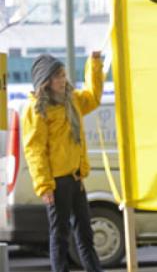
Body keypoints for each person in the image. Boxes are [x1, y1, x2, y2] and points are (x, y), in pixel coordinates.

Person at [23, 52, 105, 272]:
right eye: (58, 76)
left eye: (63, 75)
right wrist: (44, 186)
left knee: (85, 233)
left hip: (75, 177)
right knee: (60, 235)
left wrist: (95, 64)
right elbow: (35, 150)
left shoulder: (72, 100)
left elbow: (94, 97)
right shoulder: (36, 109)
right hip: (56, 182)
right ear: (46, 81)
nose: (63, 80)